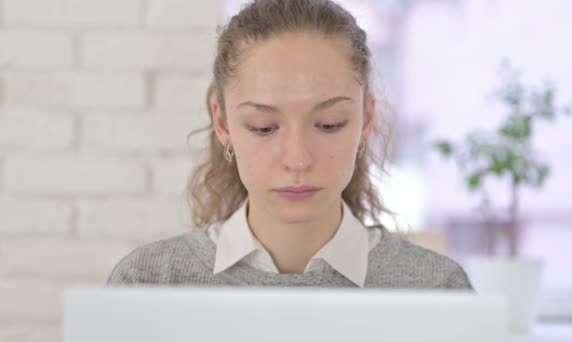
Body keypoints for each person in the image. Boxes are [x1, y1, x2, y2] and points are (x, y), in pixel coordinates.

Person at [107, 0, 473, 289]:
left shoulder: (437, 289)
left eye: (329, 124)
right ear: (223, 124)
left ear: (365, 120)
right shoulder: (148, 284)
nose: (297, 160)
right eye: (264, 127)